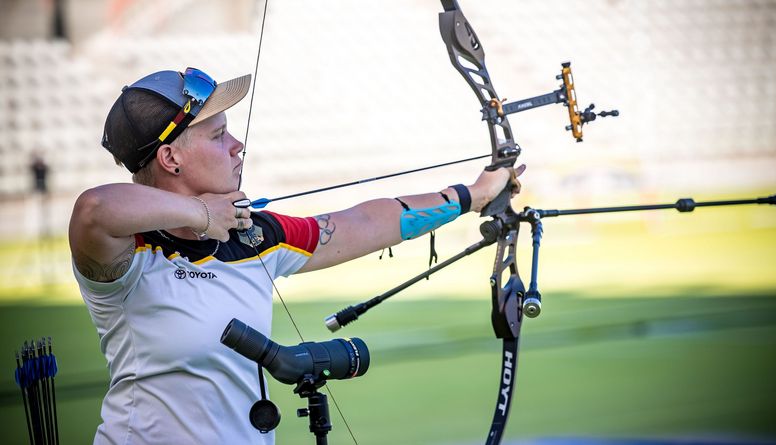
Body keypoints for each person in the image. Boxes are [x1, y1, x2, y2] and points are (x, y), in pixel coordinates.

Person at [69, 67, 524, 445]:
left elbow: (365, 223)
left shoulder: (255, 237)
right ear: (171, 158)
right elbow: (94, 209)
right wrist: (203, 214)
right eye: (219, 135)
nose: (237, 145)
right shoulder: (130, 254)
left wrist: (472, 195)